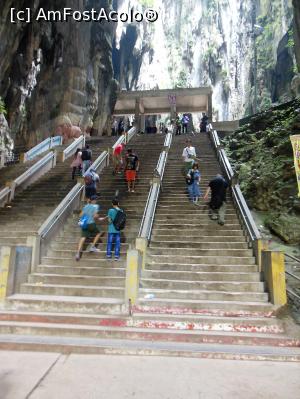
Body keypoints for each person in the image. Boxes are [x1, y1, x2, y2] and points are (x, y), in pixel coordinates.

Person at [75, 195, 102, 261]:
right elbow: (95, 216)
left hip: (85, 224)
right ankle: (92, 247)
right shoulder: (95, 207)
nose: (96, 201)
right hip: (91, 223)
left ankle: (78, 253)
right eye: (96, 200)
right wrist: (98, 217)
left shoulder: (86, 206)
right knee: (99, 233)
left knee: (83, 238)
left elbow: (80, 215)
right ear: (94, 200)